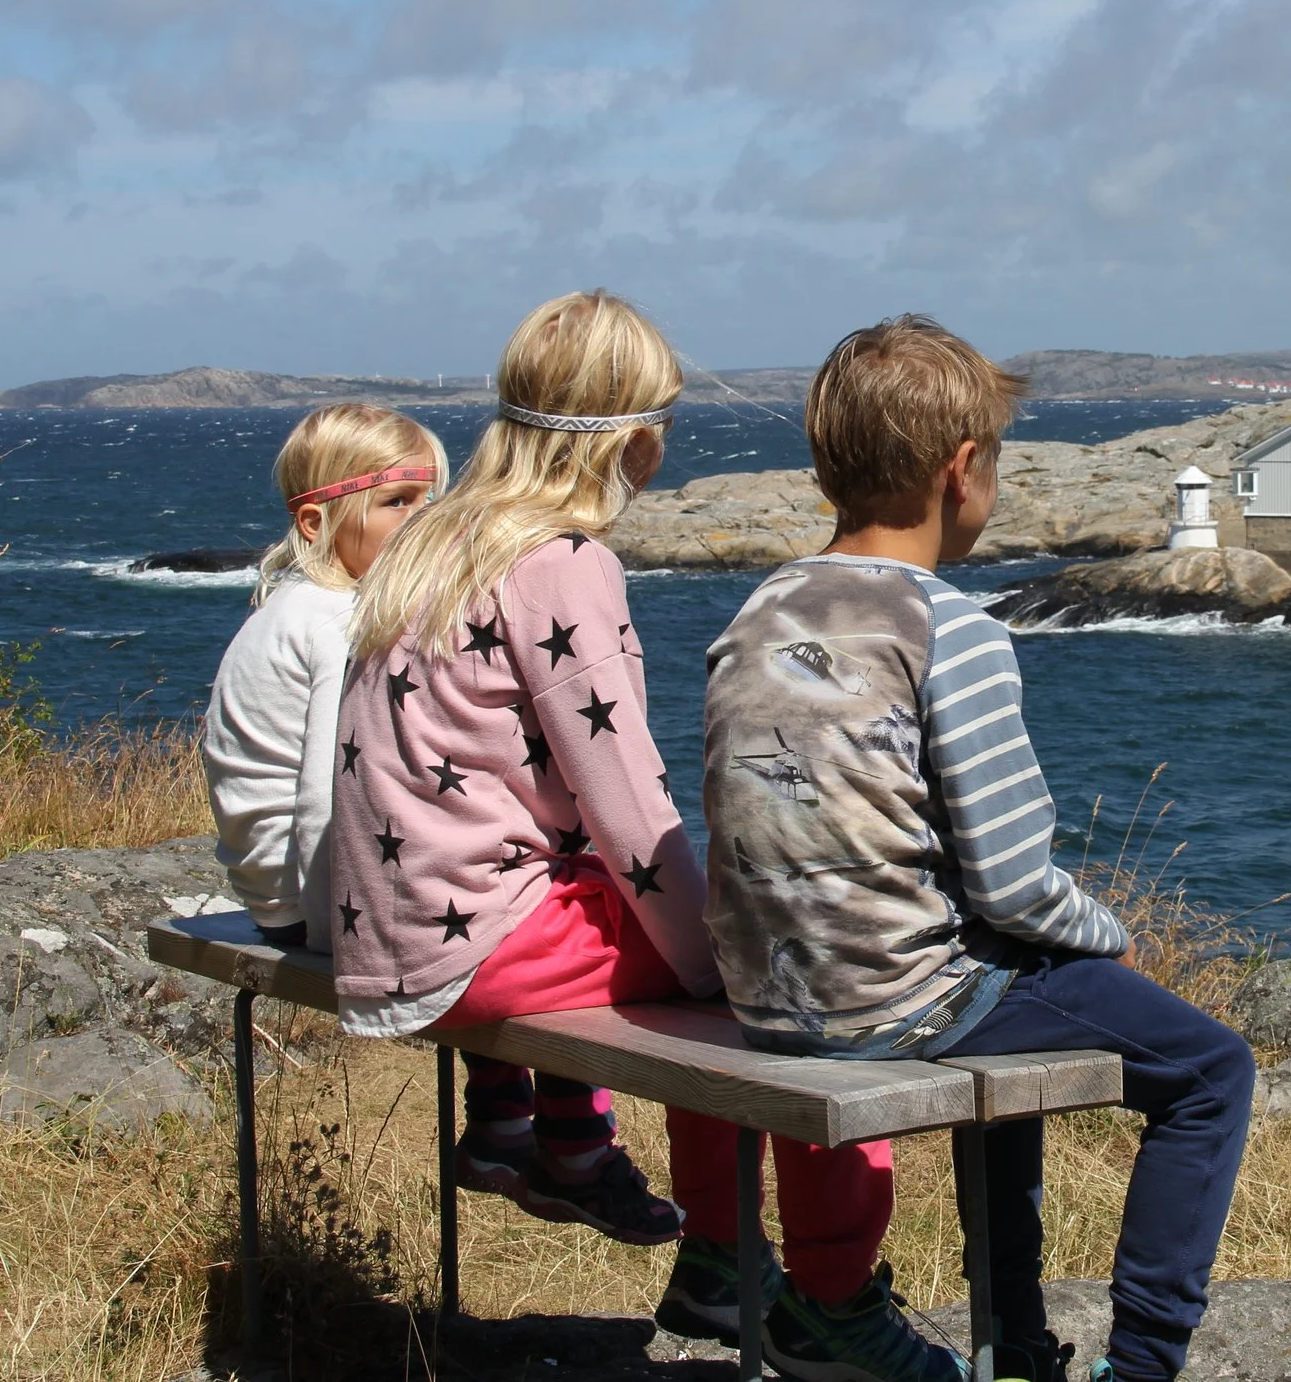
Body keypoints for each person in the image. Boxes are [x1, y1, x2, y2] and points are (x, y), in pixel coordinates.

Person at [329, 291, 920, 1378]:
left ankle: (719, 1257)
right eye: (661, 419)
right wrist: (717, 949)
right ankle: (827, 1288)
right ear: (628, 438)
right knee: (780, 975)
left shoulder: (439, 539)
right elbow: (628, 804)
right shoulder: (561, 564)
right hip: (486, 939)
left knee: (722, 981)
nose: (664, 442)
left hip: (396, 926)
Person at [702, 316, 1256, 1382]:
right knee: (1207, 1068)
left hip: (770, 994)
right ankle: (1140, 1364)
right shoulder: (951, 628)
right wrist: (1109, 934)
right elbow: (1011, 881)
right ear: (963, 471)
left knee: (1015, 986)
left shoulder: (761, 607)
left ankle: (1020, 1341)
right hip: (896, 999)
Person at [203, 401, 446, 953]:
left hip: (278, 894)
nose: (423, 519)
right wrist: (334, 929)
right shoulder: (339, 623)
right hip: (310, 901)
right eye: (397, 502)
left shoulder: (298, 604)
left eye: (430, 501)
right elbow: (327, 790)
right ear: (316, 522)